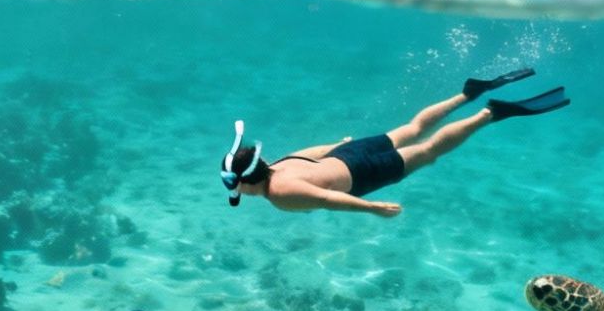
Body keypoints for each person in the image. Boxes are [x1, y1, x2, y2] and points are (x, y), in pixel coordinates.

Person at [219, 70, 569, 217]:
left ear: (248, 179)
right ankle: (468, 93)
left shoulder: (280, 194)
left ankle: (489, 114)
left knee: (429, 152)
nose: (236, 191)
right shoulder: (278, 164)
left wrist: (373, 209)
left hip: (364, 172)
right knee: (413, 127)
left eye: (234, 184)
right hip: (348, 153)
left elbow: (328, 199)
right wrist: (339, 143)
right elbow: (310, 153)